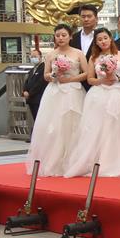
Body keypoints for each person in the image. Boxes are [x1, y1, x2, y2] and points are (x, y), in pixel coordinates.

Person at [64, 28, 120, 178]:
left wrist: (118, 78)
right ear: (96, 42)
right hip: (99, 95)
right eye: (99, 39)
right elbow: (90, 79)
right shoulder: (93, 57)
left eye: (105, 38)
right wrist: (101, 80)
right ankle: (98, 160)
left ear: (110, 38)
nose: (103, 41)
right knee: (98, 128)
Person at [25, 24, 88, 176]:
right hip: (55, 92)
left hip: (73, 91)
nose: (60, 38)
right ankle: (54, 161)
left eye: (63, 35)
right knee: (54, 126)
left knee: (73, 125)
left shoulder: (78, 53)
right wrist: (54, 75)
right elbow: (46, 75)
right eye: (58, 35)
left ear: (70, 36)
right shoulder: (51, 55)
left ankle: (74, 161)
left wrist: (71, 78)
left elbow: (86, 73)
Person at [22, 49, 46, 120]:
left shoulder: (44, 68)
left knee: (39, 119)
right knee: (35, 119)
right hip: (31, 100)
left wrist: (30, 93)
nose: (33, 58)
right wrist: (24, 91)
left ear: (40, 57)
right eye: (31, 57)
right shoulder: (32, 69)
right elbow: (27, 82)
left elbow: (40, 83)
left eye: (35, 56)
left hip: (38, 99)